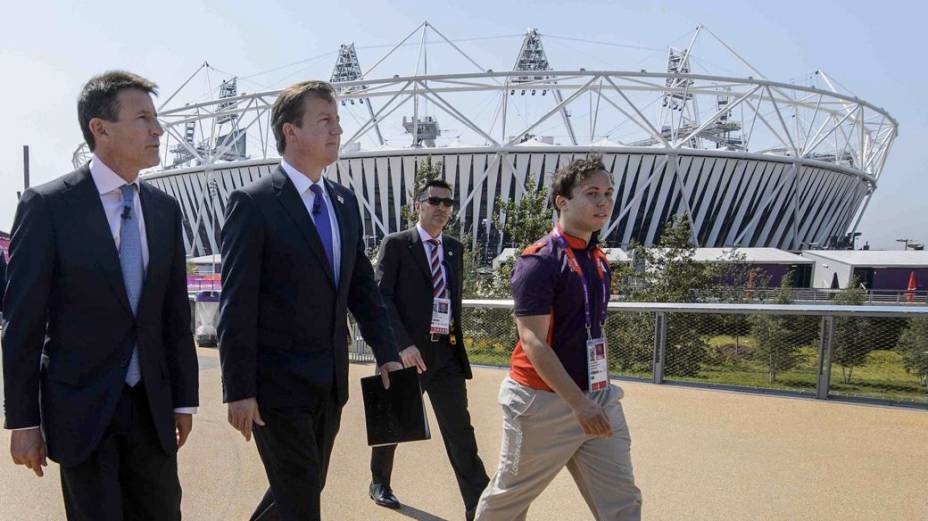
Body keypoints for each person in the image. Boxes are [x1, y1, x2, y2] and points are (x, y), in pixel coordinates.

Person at [2, 71, 199, 520]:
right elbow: (23, 322)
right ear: (100, 128)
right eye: (144, 118)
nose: (158, 130)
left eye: (157, 118)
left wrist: (184, 399)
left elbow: (173, 315)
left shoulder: (164, 211)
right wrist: (24, 422)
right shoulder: (49, 207)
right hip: (81, 410)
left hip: (152, 412)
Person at [217, 80, 403, 521]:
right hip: (275, 387)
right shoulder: (254, 203)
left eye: (337, 121)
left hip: (330, 382)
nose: (336, 130)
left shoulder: (343, 202)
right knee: (302, 499)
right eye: (324, 121)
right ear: (290, 131)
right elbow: (236, 304)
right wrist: (239, 389)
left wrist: (387, 352)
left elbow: (361, 286)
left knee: (300, 487)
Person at [475, 156, 642, 520]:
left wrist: (599, 391)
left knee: (622, 501)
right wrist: (577, 404)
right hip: (543, 402)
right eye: (592, 193)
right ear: (561, 201)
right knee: (509, 501)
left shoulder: (598, 260)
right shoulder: (539, 261)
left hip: (597, 396)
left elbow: (594, 329)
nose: (603, 202)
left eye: (608, 193)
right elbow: (533, 340)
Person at [368, 179, 490, 520]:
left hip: (446, 355)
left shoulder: (454, 248)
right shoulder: (396, 245)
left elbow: (451, 301)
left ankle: (478, 504)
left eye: (448, 203)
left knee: (460, 432)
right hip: (407, 354)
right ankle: (379, 481)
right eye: (434, 200)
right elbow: (382, 298)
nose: (441, 207)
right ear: (418, 204)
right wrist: (401, 346)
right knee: (391, 425)